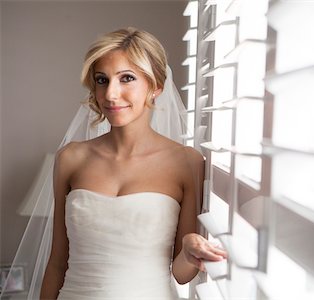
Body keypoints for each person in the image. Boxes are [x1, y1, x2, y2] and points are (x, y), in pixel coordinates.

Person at [38, 27, 227, 299]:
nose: (111, 94)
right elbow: (57, 262)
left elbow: (182, 273)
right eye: (102, 80)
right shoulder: (70, 158)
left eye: (126, 78)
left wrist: (189, 249)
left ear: (155, 86)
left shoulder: (187, 162)